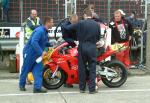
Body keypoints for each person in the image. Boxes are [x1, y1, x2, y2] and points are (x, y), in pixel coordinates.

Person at [64, 9, 100, 94]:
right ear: (92, 15)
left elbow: (67, 28)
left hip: (82, 47)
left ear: (84, 15)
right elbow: (98, 37)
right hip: (92, 47)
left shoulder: (80, 23)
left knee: (82, 68)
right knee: (92, 68)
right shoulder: (96, 24)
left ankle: (82, 88)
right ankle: (92, 89)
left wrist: (66, 21)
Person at [19, 16, 54, 93]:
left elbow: (43, 42)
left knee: (38, 70)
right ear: (47, 23)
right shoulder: (40, 31)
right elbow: (34, 42)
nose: (53, 23)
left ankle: (37, 88)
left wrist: (51, 44)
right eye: (51, 22)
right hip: (30, 53)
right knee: (26, 69)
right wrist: (41, 52)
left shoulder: (44, 31)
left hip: (37, 54)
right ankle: (21, 85)